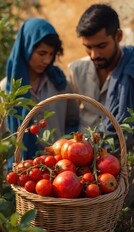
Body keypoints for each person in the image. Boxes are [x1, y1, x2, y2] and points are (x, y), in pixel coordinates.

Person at [0, 17, 79, 170]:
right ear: (26, 48)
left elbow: (73, 121)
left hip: (57, 170)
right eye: (42, 53)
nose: (47, 60)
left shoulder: (60, 84)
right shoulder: (5, 91)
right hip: (19, 172)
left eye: (51, 54)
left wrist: (64, 147)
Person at [67, 3, 134, 153]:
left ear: (118, 36)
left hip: (122, 161)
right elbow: (70, 119)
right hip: (81, 161)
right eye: (88, 47)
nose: (94, 55)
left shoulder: (131, 70)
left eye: (101, 46)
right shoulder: (76, 71)